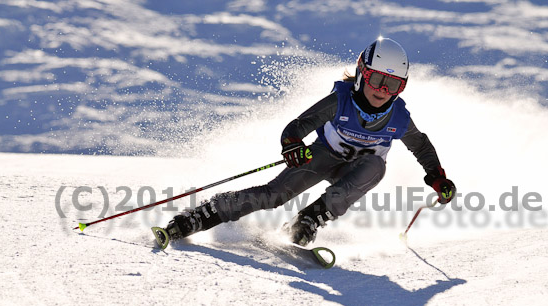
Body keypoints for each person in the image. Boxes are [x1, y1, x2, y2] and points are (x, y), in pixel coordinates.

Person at [154, 37, 456, 248]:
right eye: (377, 79)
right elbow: (298, 126)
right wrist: (293, 144)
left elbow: (421, 146)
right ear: (363, 73)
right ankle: (202, 215)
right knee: (274, 196)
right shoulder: (340, 101)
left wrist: (437, 178)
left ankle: (308, 220)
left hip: (357, 170)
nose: (383, 89)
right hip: (323, 155)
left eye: (393, 85)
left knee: (376, 166)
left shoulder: (398, 117)